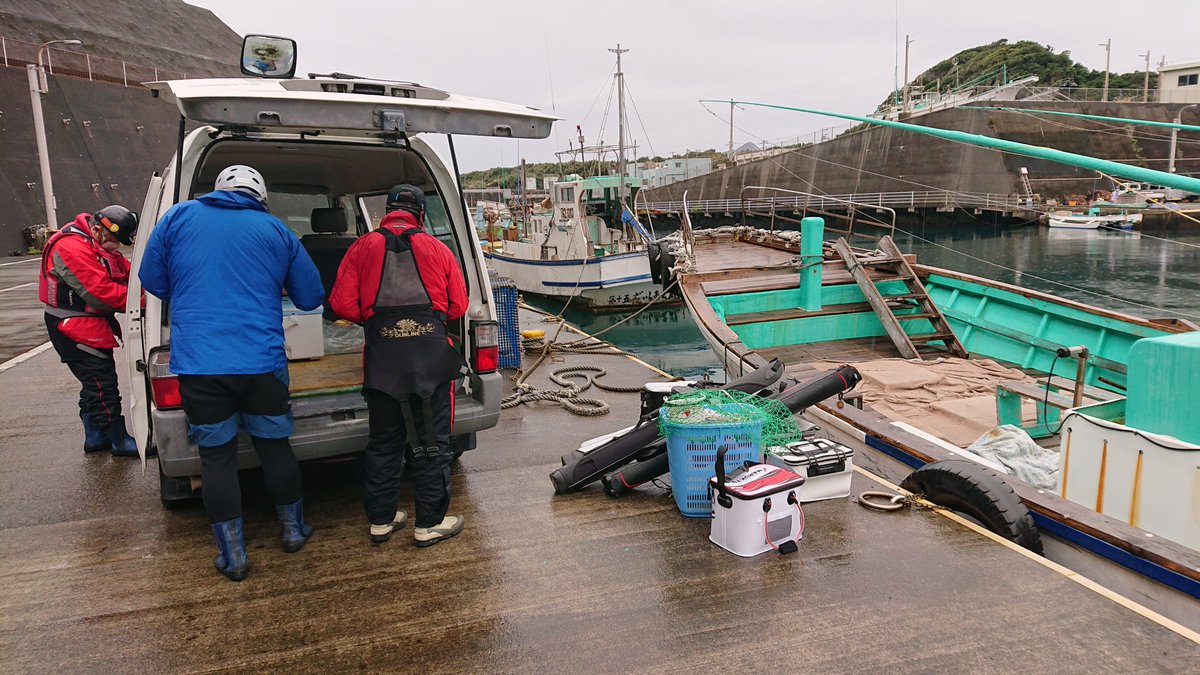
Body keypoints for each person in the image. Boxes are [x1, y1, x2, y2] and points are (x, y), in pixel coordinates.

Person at [138, 165, 323, 582]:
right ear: (261, 198)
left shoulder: (178, 217)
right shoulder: (276, 230)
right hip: (261, 364)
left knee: (216, 458)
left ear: (217, 190)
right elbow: (311, 298)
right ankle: (293, 531)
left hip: (200, 366)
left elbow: (153, 281)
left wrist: (192, 290)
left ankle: (233, 555)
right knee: (275, 446)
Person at [330, 184, 468, 548]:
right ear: (420, 214)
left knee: (383, 442)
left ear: (387, 211)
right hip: (431, 362)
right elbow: (458, 306)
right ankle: (430, 523)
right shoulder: (437, 248)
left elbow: (341, 305)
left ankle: (381, 520)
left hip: (383, 361)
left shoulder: (362, 246)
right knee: (433, 442)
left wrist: (377, 321)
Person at [39, 206, 142, 457]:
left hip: (86, 323)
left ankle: (95, 437)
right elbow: (100, 293)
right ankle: (118, 439)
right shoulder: (70, 247)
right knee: (101, 382)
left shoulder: (95, 242)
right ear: (97, 229)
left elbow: (127, 272)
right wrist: (146, 300)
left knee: (92, 382)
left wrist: (149, 284)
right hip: (72, 324)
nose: (117, 247)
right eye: (115, 240)